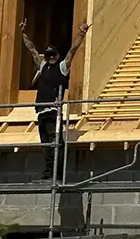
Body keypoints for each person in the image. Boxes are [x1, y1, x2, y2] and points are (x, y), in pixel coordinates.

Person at [20, 18, 91, 181]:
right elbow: (31, 49)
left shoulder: (62, 67)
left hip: (53, 112)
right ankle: (48, 173)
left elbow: (72, 51)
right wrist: (23, 33)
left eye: (54, 54)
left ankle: (57, 175)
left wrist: (81, 35)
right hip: (41, 112)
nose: (51, 57)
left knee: (55, 143)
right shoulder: (43, 66)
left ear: (58, 55)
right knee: (46, 145)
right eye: (49, 55)